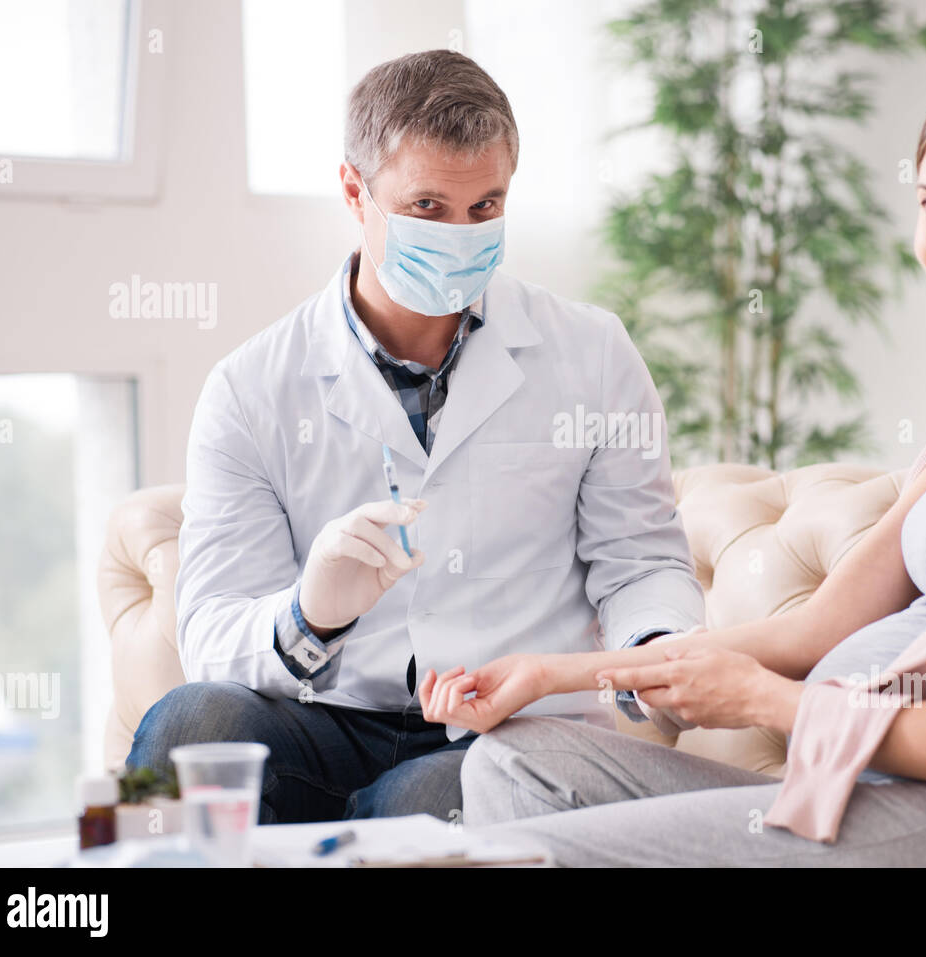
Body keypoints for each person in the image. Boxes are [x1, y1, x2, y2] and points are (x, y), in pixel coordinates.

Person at [420, 65, 926, 866]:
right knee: (515, 763)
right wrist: (553, 671)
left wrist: (770, 702)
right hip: (847, 786)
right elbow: (817, 626)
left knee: (537, 844)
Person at [125, 50, 706, 825]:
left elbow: (639, 560)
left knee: (426, 804)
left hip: (504, 730)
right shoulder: (250, 388)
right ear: (353, 192)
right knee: (188, 725)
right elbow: (213, 633)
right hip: (324, 716)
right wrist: (309, 616)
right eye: (428, 206)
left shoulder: (592, 354)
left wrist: (658, 648)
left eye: (485, 207)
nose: (460, 236)